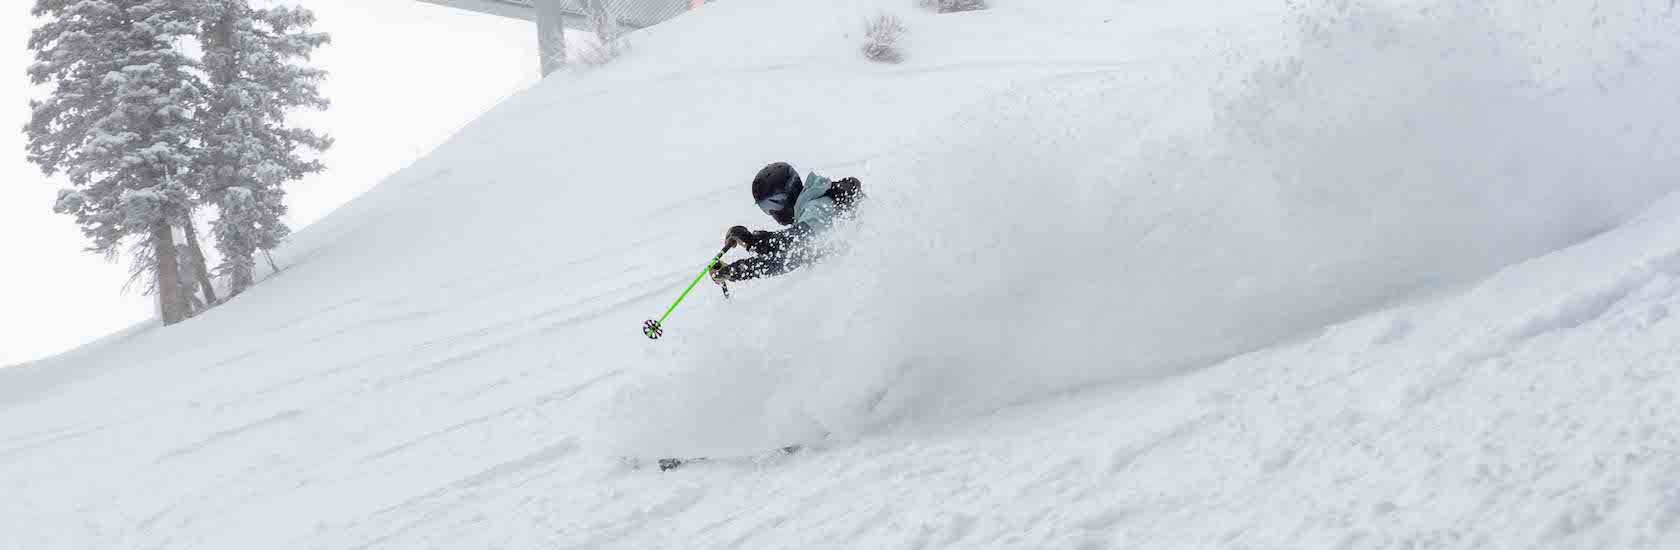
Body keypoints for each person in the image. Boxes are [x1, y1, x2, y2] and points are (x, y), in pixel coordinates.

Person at [711, 162, 863, 283]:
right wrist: (748, 244)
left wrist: (748, 249)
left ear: (791, 191)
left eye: (774, 203)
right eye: (766, 208)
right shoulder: (813, 207)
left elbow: (788, 249)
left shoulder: (817, 208)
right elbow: (789, 252)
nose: (773, 212)